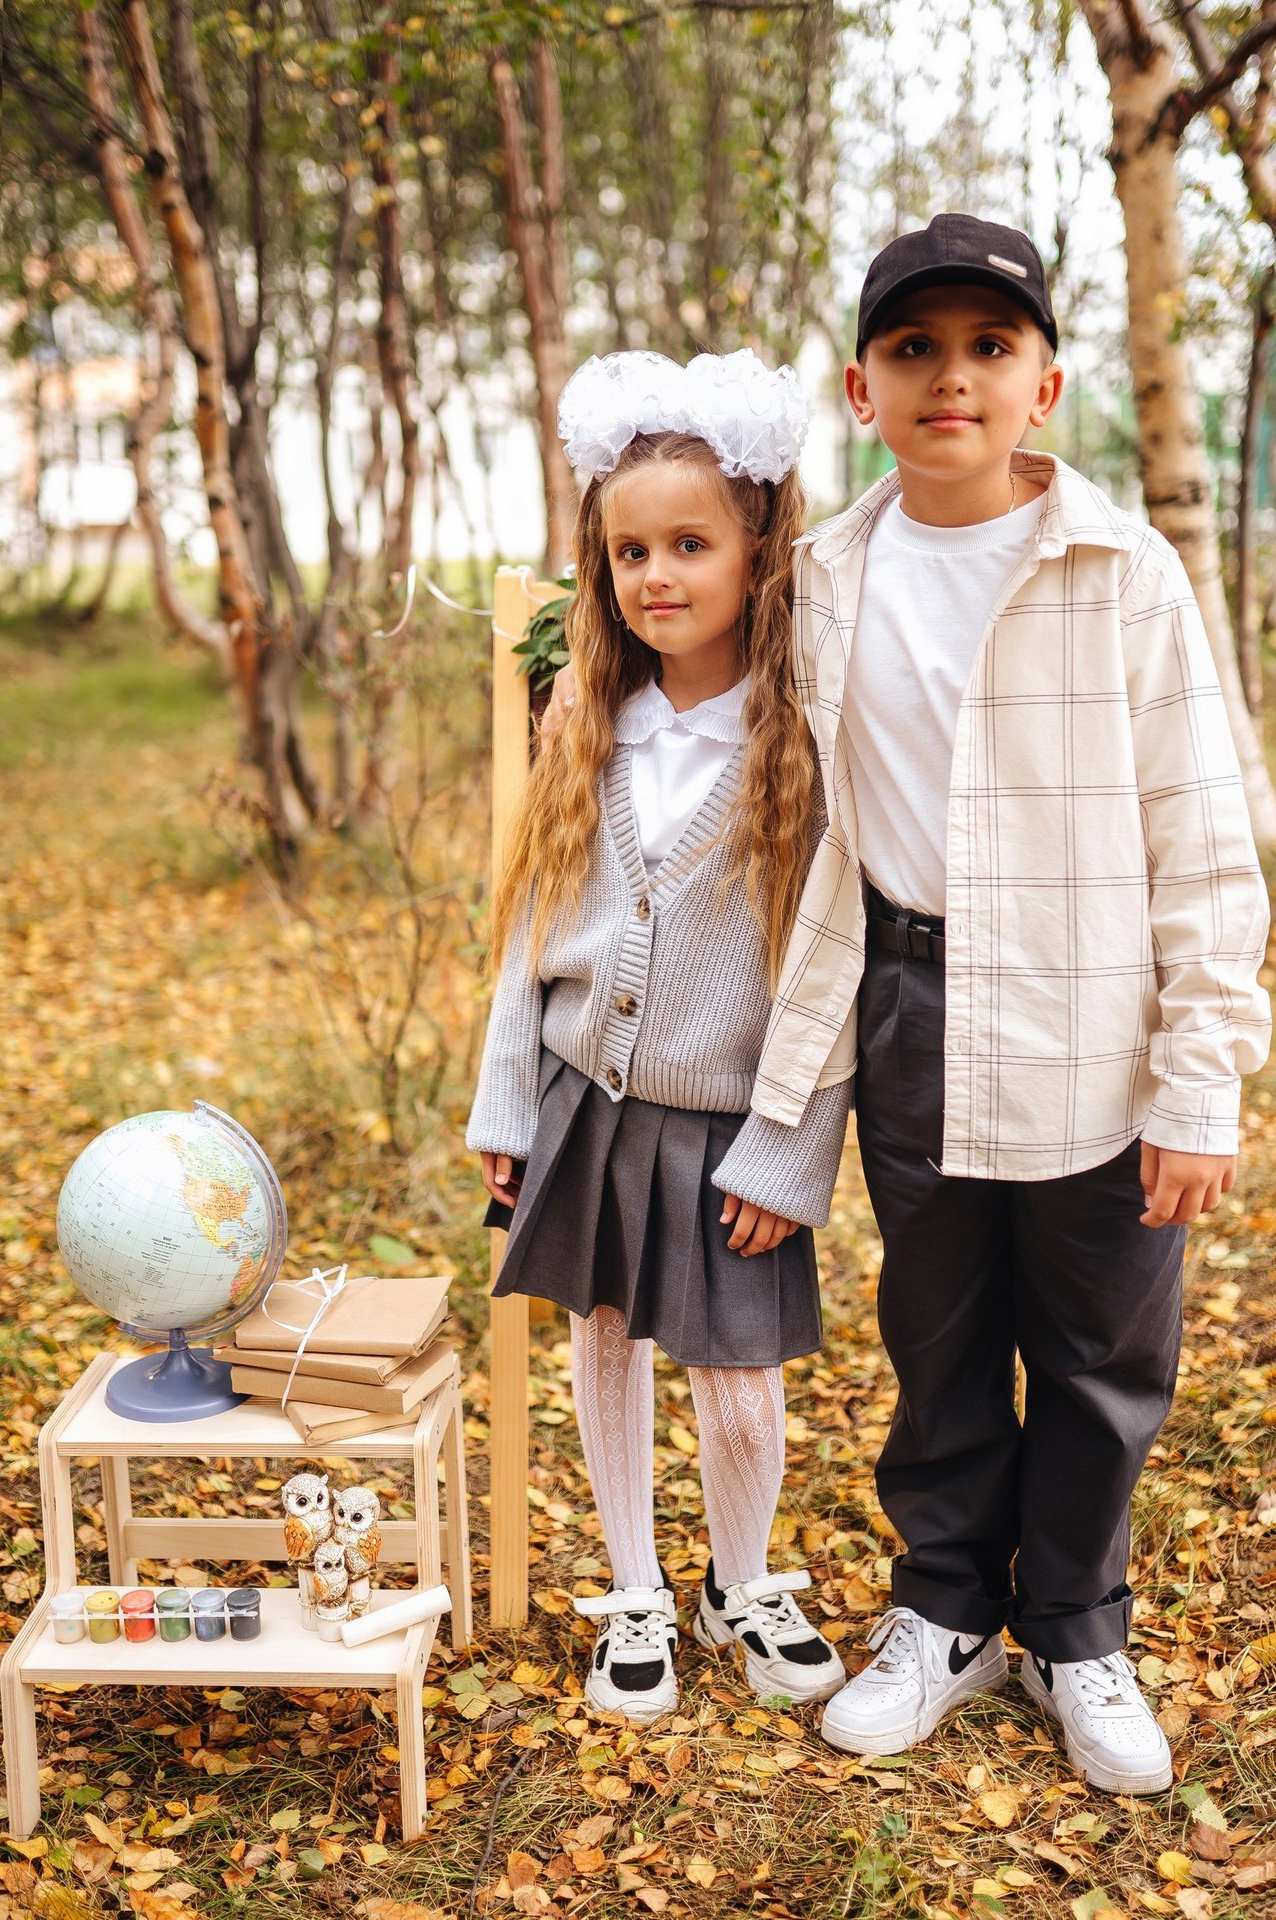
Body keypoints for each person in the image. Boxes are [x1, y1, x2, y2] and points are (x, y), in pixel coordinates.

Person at [739, 213, 1271, 1792]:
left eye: (990, 346)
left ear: (1046, 382)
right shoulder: (823, 579)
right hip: (908, 1000)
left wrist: (1199, 1082)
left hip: (1094, 1010)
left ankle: (1078, 1632)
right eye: (914, 349)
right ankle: (946, 1614)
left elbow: (1203, 840)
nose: (951, 377)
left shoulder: (1123, 573)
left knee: (1104, 1348)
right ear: (861, 389)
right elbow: (720, 724)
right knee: (942, 1332)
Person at [468, 349, 853, 1724]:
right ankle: (633, 1588)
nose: (657, 576)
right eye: (630, 552)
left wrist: (790, 1151)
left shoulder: (801, 741)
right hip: (586, 1100)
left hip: (733, 1123)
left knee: (739, 1394)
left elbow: (832, 971)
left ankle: (738, 1581)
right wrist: (506, 1108)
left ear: (759, 551)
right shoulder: (590, 724)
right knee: (607, 1340)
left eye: (691, 544)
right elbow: (530, 927)